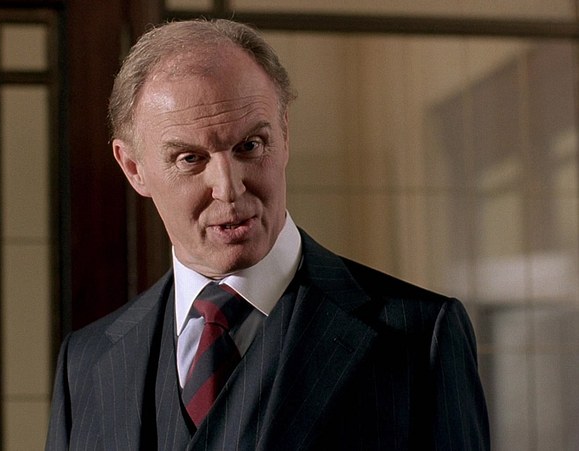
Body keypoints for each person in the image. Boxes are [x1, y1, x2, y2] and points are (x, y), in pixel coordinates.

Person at [46, 18, 489, 450]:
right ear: (133, 168)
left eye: (250, 146)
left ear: (285, 135)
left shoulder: (418, 338)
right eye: (189, 159)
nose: (229, 187)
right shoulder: (84, 364)